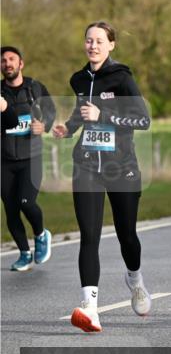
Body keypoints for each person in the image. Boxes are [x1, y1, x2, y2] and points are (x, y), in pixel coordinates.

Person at [51, 22, 153, 333]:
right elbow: (81, 112)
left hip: (121, 167)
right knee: (89, 236)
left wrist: (103, 115)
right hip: (86, 167)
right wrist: (68, 128)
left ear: (111, 45)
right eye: (88, 40)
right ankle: (90, 308)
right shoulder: (78, 79)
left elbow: (142, 120)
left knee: (127, 237)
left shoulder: (121, 77)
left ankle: (134, 278)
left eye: (99, 41)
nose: (92, 45)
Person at [1, 46, 56, 271]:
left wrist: (45, 125)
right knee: (11, 208)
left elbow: (51, 111)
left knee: (27, 202)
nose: (7, 63)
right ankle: (24, 254)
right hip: (3, 160)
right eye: (3, 61)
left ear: (21, 63)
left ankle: (41, 234)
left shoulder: (35, 88)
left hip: (30, 157)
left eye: (12, 59)